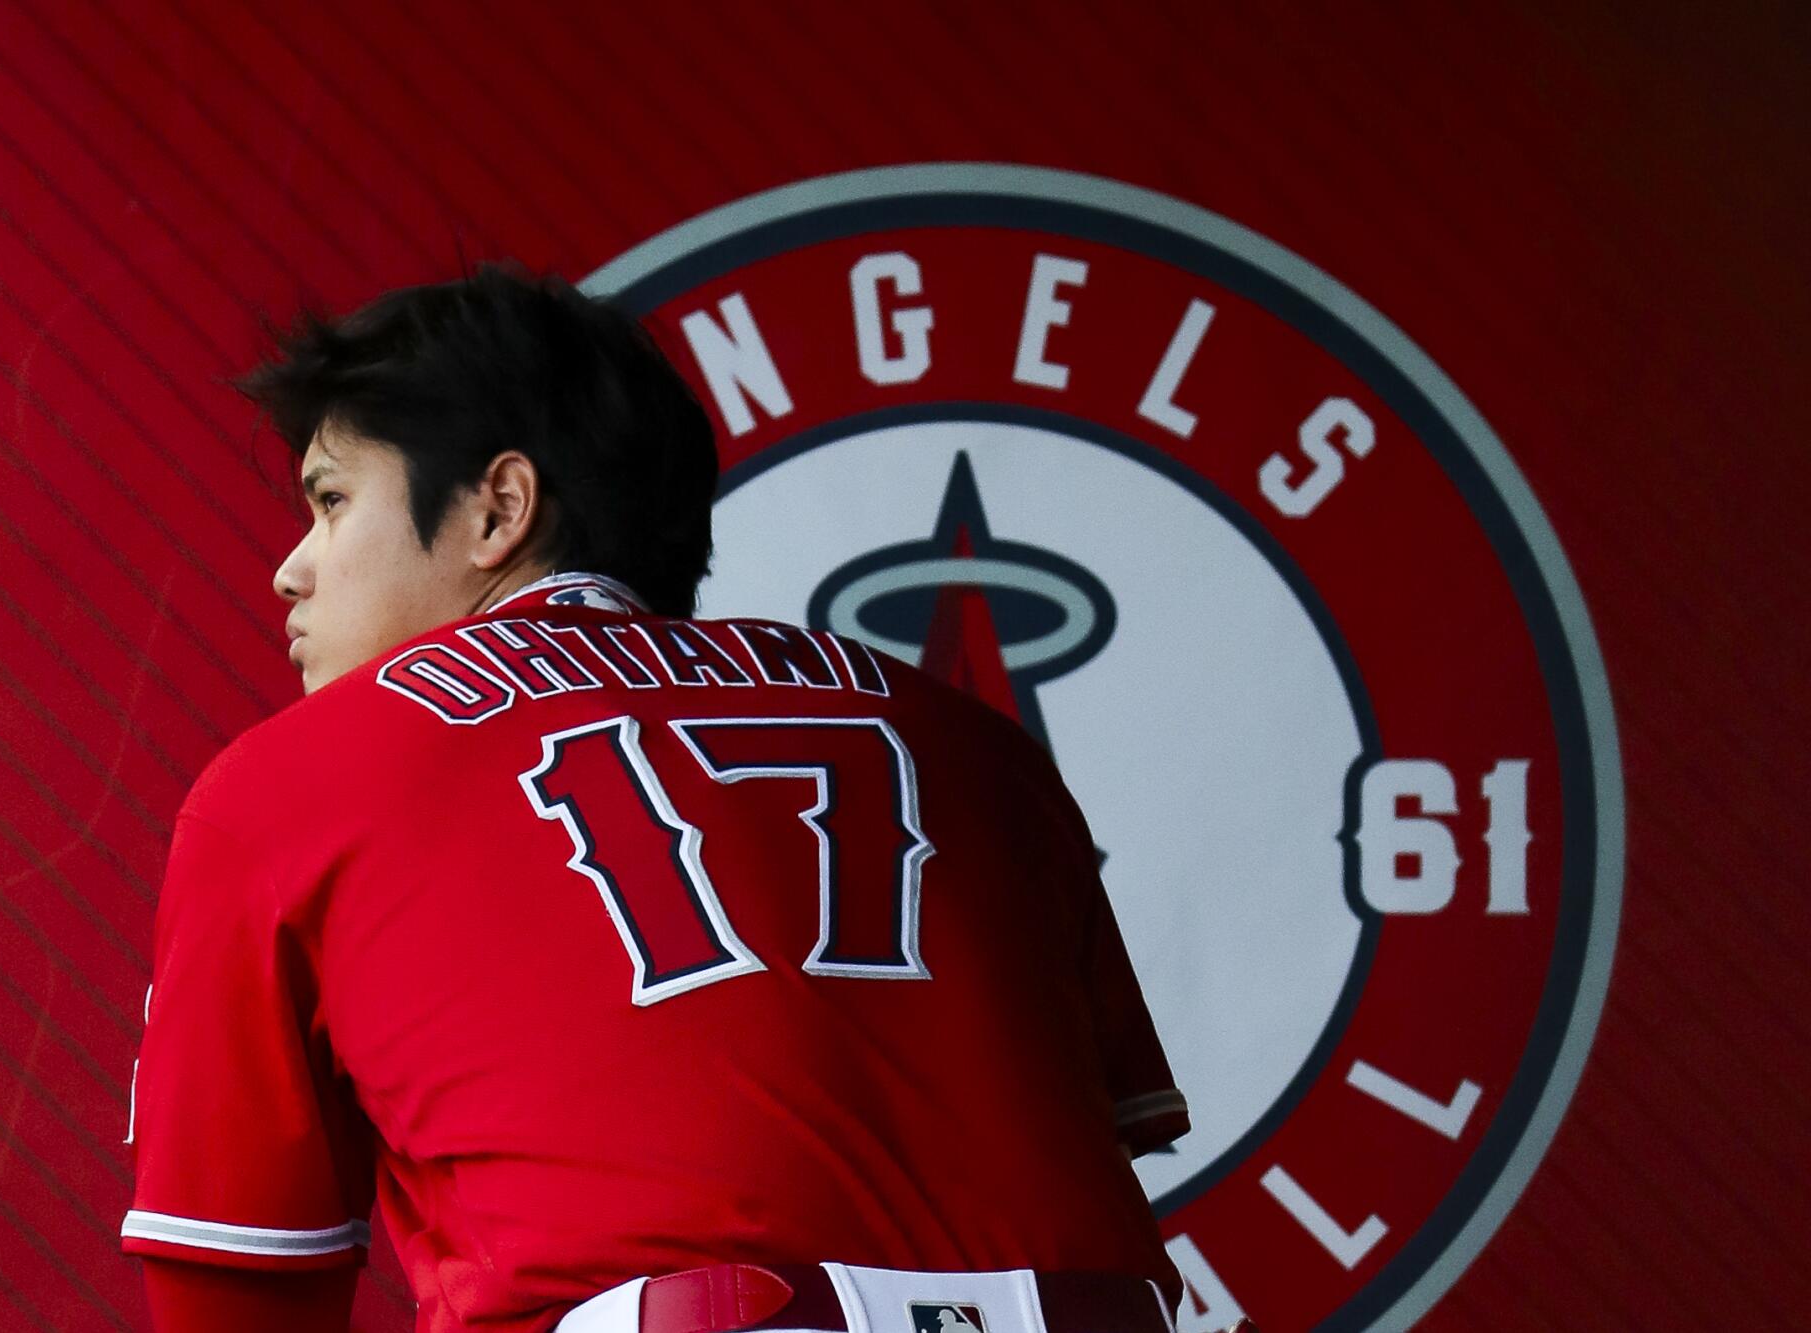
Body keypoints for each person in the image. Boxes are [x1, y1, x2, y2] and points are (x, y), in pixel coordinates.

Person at [122, 267, 1194, 1333]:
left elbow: (229, 1289)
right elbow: (1103, 1138)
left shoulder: (290, 778)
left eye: (331, 501)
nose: (291, 571)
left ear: (500, 507)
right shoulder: (973, 741)